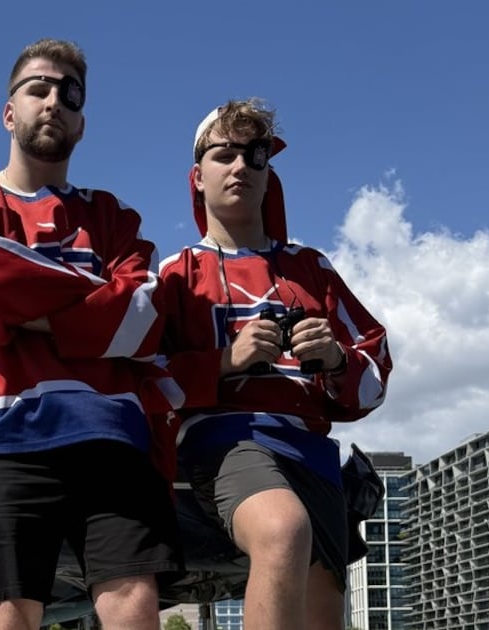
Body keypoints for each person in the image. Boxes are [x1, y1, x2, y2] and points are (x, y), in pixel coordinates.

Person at [0, 38, 183, 630]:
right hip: (2, 430)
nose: (53, 102)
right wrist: (92, 300)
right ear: (8, 111)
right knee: (9, 614)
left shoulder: (114, 217)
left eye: (69, 94)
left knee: (134, 606)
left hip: (112, 430)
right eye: (37, 88)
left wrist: (32, 311)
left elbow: (144, 316)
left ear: (82, 122)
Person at [157, 99, 392, 629]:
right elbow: (142, 374)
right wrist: (224, 360)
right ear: (197, 176)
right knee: (282, 529)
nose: (240, 166)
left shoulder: (312, 269)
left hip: (310, 449)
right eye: (225, 154)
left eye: (255, 155)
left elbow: (375, 372)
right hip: (225, 440)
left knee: (323, 613)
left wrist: (333, 357)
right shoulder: (177, 273)